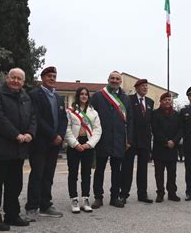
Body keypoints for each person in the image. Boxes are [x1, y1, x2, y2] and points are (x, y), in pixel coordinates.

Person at [0, 68, 36, 231]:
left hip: (18, 151)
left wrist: (30, 133)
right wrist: (16, 135)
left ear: (23, 82)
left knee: (15, 185)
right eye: (13, 77)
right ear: (7, 78)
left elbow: (33, 117)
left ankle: (12, 215)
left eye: (19, 79)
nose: (16, 81)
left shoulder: (25, 97)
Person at [25, 66, 68, 221]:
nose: (52, 78)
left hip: (55, 144)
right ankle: (31, 207)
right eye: (49, 76)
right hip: (40, 143)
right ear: (42, 78)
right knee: (37, 174)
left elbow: (64, 118)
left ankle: (45, 204)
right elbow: (37, 118)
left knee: (48, 175)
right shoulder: (34, 95)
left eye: (54, 76)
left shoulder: (58, 97)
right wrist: (53, 135)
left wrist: (61, 136)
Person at [91, 71, 133, 208]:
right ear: (108, 79)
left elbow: (130, 121)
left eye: (117, 79)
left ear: (120, 81)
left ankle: (114, 197)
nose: (114, 80)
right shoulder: (98, 96)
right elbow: (91, 118)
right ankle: (98, 197)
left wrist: (129, 140)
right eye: (112, 78)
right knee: (100, 170)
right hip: (102, 139)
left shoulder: (126, 99)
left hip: (119, 140)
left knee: (117, 171)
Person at [65, 87, 102, 213]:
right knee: (73, 173)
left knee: (86, 173)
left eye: (86, 94)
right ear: (77, 95)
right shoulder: (70, 111)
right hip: (74, 144)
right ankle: (74, 199)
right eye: (81, 94)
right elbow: (67, 128)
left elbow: (97, 130)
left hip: (88, 145)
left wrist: (89, 144)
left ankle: (85, 199)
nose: (84, 96)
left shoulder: (93, 112)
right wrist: (75, 144)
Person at [120, 79, 154, 204]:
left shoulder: (150, 102)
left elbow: (149, 122)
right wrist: (127, 139)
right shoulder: (129, 99)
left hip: (144, 141)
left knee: (143, 169)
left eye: (146, 86)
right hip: (131, 140)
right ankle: (123, 194)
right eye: (143, 86)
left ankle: (142, 194)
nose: (145, 88)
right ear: (137, 88)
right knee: (127, 168)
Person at [151, 92, 182, 202]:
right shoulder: (155, 114)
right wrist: (165, 141)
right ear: (161, 101)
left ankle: (172, 193)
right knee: (159, 173)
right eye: (165, 100)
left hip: (172, 148)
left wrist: (174, 141)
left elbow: (180, 130)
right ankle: (160, 193)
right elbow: (155, 130)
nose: (167, 101)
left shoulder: (177, 114)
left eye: (169, 99)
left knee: (172, 173)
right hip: (160, 148)